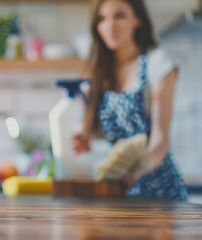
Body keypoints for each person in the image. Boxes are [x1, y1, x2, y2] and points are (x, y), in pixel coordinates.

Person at [72, 0, 188, 201]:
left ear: (138, 20)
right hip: (112, 190)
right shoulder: (97, 72)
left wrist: (135, 171)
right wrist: (80, 138)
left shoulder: (157, 64)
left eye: (120, 16)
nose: (110, 26)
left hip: (158, 190)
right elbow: (85, 130)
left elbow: (160, 141)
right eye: (102, 18)